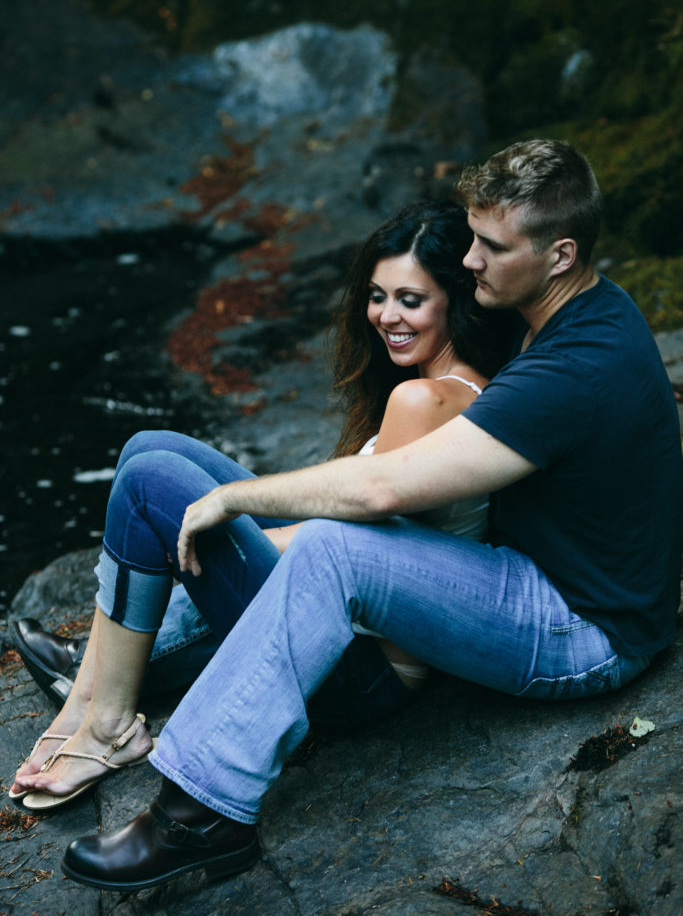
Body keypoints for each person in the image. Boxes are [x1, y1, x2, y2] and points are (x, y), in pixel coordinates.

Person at [25, 139, 683, 895]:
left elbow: (380, 492)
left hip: (583, 629)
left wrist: (235, 499)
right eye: (470, 239)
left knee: (333, 550)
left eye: (491, 247)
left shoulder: (573, 365)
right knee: (161, 452)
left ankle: (198, 815)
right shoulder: (576, 310)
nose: (468, 262)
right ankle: (110, 685)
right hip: (534, 574)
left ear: (560, 253)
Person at [10, 201, 510, 810]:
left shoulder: (423, 400)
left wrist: (208, 539)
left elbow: (358, 544)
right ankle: (88, 696)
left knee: (155, 487)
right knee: (151, 448)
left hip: (359, 668)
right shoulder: (461, 384)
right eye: (377, 296)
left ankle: (107, 723)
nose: (386, 316)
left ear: (455, 298)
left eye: (411, 299)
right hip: (341, 622)